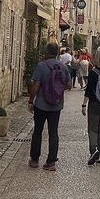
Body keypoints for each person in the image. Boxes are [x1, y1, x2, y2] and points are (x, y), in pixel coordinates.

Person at [29, 40, 70, 171]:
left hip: (41, 104)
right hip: (56, 105)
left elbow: (35, 85)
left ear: (46, 52)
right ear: (57, 53)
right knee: (53, 132)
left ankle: (35, 160)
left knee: (38, 131)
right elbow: (69, 85)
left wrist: (31, 100)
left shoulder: (41, 66)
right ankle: (51, 161)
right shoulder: (63, 67)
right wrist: (57, 89)